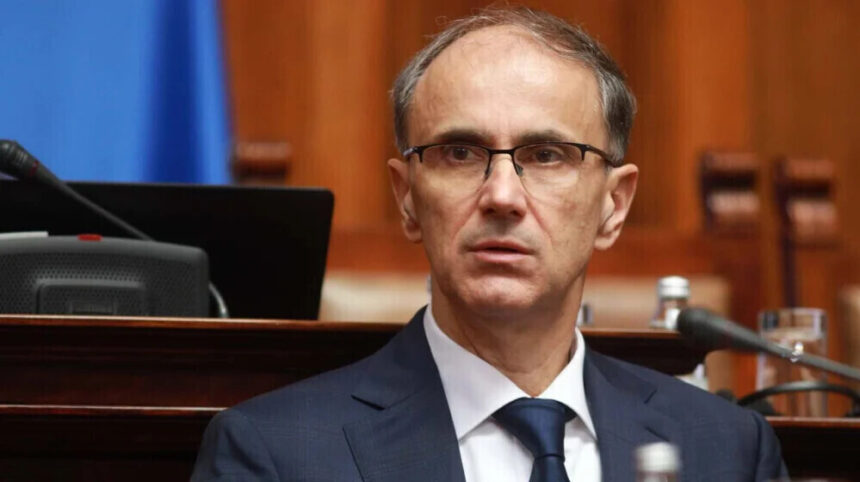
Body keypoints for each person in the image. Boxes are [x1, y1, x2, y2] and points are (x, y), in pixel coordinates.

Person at [192, 7, 787, 481]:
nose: (502, 195)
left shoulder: (727, 451)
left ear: (614, 205)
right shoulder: (276, 454)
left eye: (547, 155)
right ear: (407, 198)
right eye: (459, 153)